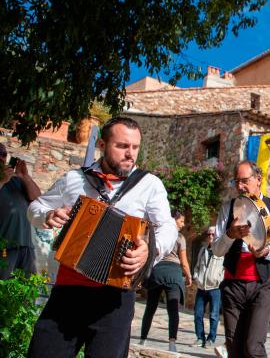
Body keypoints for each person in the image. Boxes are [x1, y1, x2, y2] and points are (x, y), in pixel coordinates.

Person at [26, 117, 178, 358]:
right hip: (68, 292)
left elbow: (168, 226)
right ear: (101, 144)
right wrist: (47, 215)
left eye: (135, 147)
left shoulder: (149, 185)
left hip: (115, 299)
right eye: (122, 146)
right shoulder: (75, 179)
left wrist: (151, 248)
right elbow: (35, 207)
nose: (130, 154)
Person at [213, 160, 270, 358]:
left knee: (254, 347)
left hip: (263, 285)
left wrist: (268, 252)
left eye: (244, 181)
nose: (239, 186)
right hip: (233, 284)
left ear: (258, 179)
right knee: (234, 347)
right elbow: (216, 250)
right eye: (236, 182)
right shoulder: (228, 208)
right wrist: (230, 236)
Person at [139, 209, 192, 352]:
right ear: (174, 220)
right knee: (173, 309)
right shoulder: (180, 237)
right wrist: (188, 276)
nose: (182, 224)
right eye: (181, 221)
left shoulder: (158, 234)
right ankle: (172, 343)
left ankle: (142, 339)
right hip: (174, 274)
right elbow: (184, 262)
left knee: (150, 308)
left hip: (157, 273)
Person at [0, 143, 41, 279]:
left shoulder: (15, 180)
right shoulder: (4, 179)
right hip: (4, 248)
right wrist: (2, 181)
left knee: (27, 291)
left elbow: (37, 198)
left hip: (26, 246)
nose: (1, 157)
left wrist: (25, 177)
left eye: (4, 154)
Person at [192, 225, 225, 348]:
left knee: (214, 315)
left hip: (215, 288)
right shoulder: (203, 250)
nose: (210, 236)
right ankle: (200, 338)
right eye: (208, 234)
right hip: (201, 287)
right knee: (198, 314)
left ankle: (211, 339)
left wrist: (219, 280)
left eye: (213, 234)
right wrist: (196, 277)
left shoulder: (223, 251)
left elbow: (225, 269)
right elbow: (197, 266)